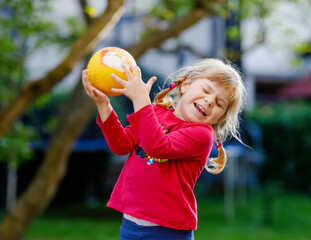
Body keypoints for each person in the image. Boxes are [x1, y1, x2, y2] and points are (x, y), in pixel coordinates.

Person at [81, 58, 246, 240]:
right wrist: (104, 105)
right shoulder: (154, 113)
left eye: (219, 104)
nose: (209, 101)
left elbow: (157, 146)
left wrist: (140, 99)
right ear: (186, 85)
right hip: (130, 224)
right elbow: (122, 145)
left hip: (167, 232)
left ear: (219, 119)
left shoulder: (201, 135)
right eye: (206, 90)